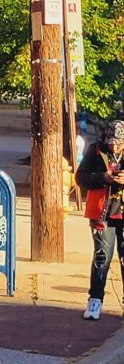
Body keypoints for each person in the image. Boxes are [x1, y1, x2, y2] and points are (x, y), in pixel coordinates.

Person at [76, 119, 124, 320]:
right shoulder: (96, 150)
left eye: (119, 143)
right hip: (103, 212)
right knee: (102, 257)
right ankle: (95, 300)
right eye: (112, 141)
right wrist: (103, 177)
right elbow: (81, 178)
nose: (115, 146)